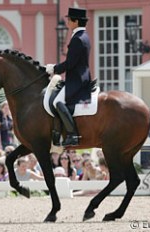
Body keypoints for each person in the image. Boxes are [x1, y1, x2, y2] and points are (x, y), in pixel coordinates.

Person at [46, 7, 92, 146]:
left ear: (75, 21)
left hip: (77, 78)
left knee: (57, 102)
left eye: (69, 19)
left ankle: (72, 135)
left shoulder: (78, 39)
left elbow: (70, 63)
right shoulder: (84, 36)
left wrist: (54, 69)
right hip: (81, 76)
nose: (67, 22)